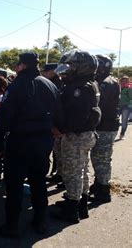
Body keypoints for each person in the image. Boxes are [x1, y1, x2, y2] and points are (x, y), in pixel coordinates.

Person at [0, 52, 58, 238]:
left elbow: (4, 116)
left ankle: (11, 225)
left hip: (20, 141)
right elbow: (58, 112)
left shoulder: (18, 85)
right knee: (39, 182)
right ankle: (40, 221)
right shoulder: (49, 84)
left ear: (23, 66)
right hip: (44, 141)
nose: (16, 67)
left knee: (14, 185)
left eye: (17, 64)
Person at [51, 51, 101, 224]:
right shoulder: (89, 84)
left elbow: (77, 116)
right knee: (82, 170)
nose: (68, 70)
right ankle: (81, 204)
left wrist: (62, 130)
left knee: (72, 172)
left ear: (81, 68)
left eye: (72, 66)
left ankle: (72, 209)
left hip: (76, 135)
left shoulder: (78, 88)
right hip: (86, 134)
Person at [89, 55, 120, 204]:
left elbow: (99, 105)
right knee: (100, 157)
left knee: (101, 159)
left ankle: (103, 190)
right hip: (107, 125)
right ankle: (99, 184)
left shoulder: (105, 83)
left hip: (105, 126)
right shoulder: (111, 80)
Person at [41, 63, 64, 181]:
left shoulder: (57, 84)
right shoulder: (51, 83)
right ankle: (56, 171)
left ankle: (57, 172)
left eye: (45, 71)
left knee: (56, 151)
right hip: (51, 121)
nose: (43, 73)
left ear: (53, 71)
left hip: (55, 123)